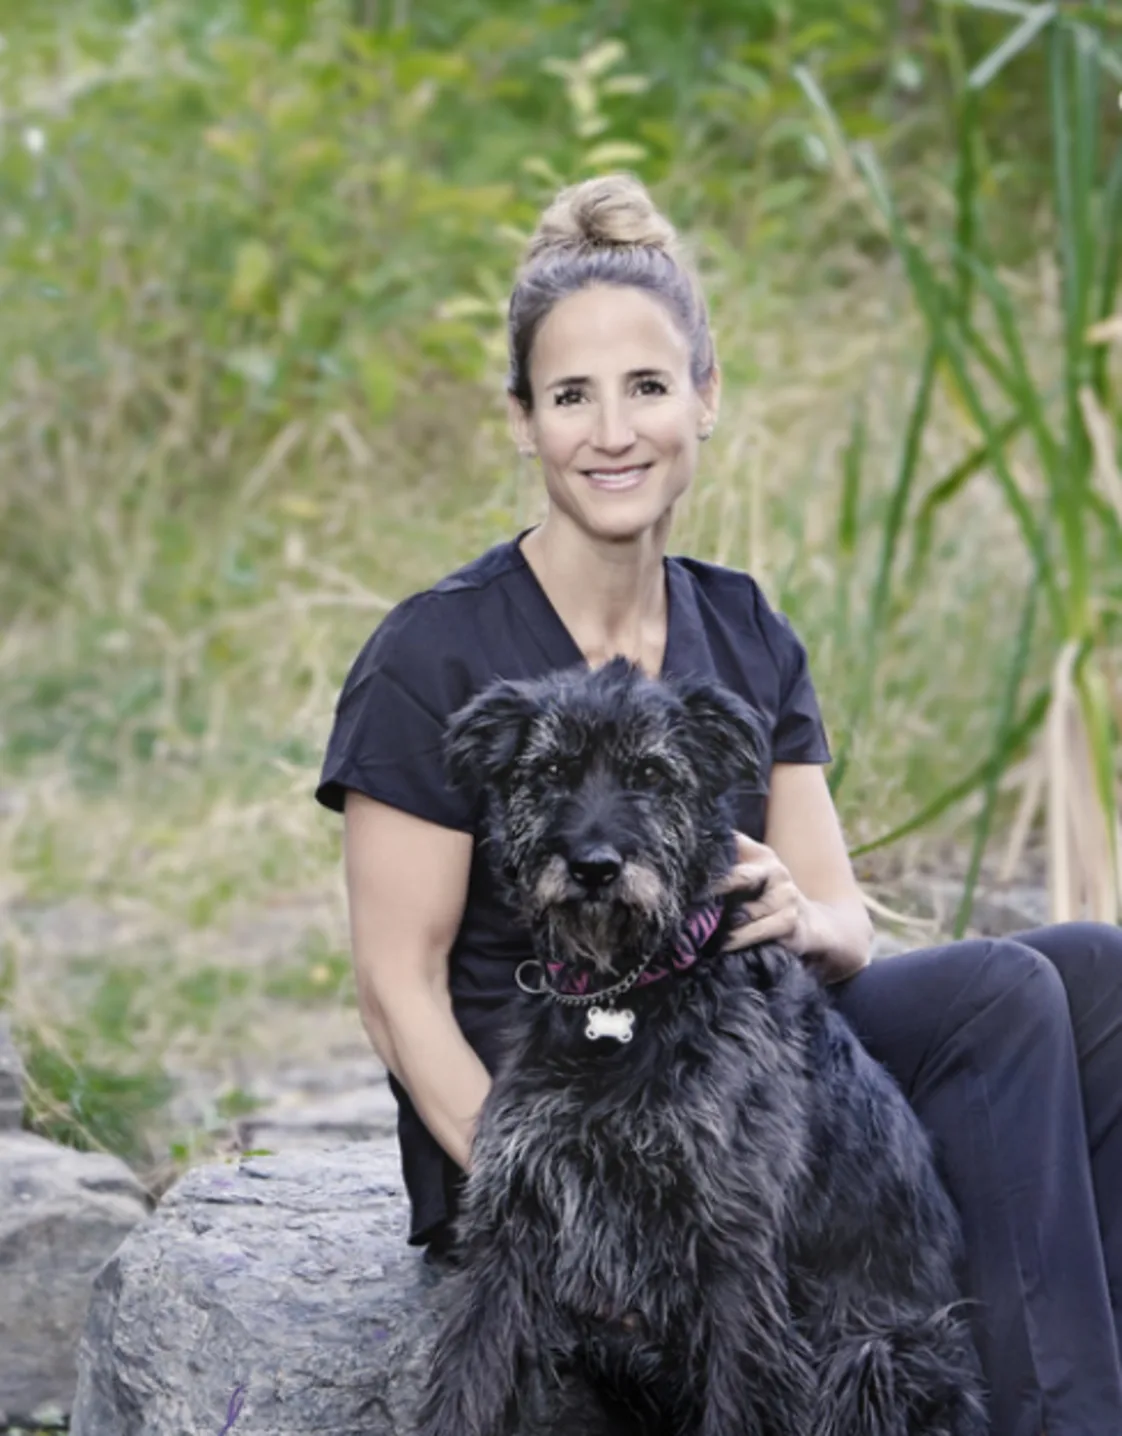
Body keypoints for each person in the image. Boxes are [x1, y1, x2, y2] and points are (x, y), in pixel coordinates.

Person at [316, 172, 1122, 1436]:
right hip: (550, 1100)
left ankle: (1060, 1384)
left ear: (706, 395)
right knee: (1015, 996)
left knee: (1083, 976)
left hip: (735, 1048)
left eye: (646, 386)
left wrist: (802, 909)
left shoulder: (742, 624)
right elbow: (394, 985)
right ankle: (1045, 1403)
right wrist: (554, 1211)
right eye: (569, 395)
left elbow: (845, 923)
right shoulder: (437, 650)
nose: (612, 429)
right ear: (522, 421)